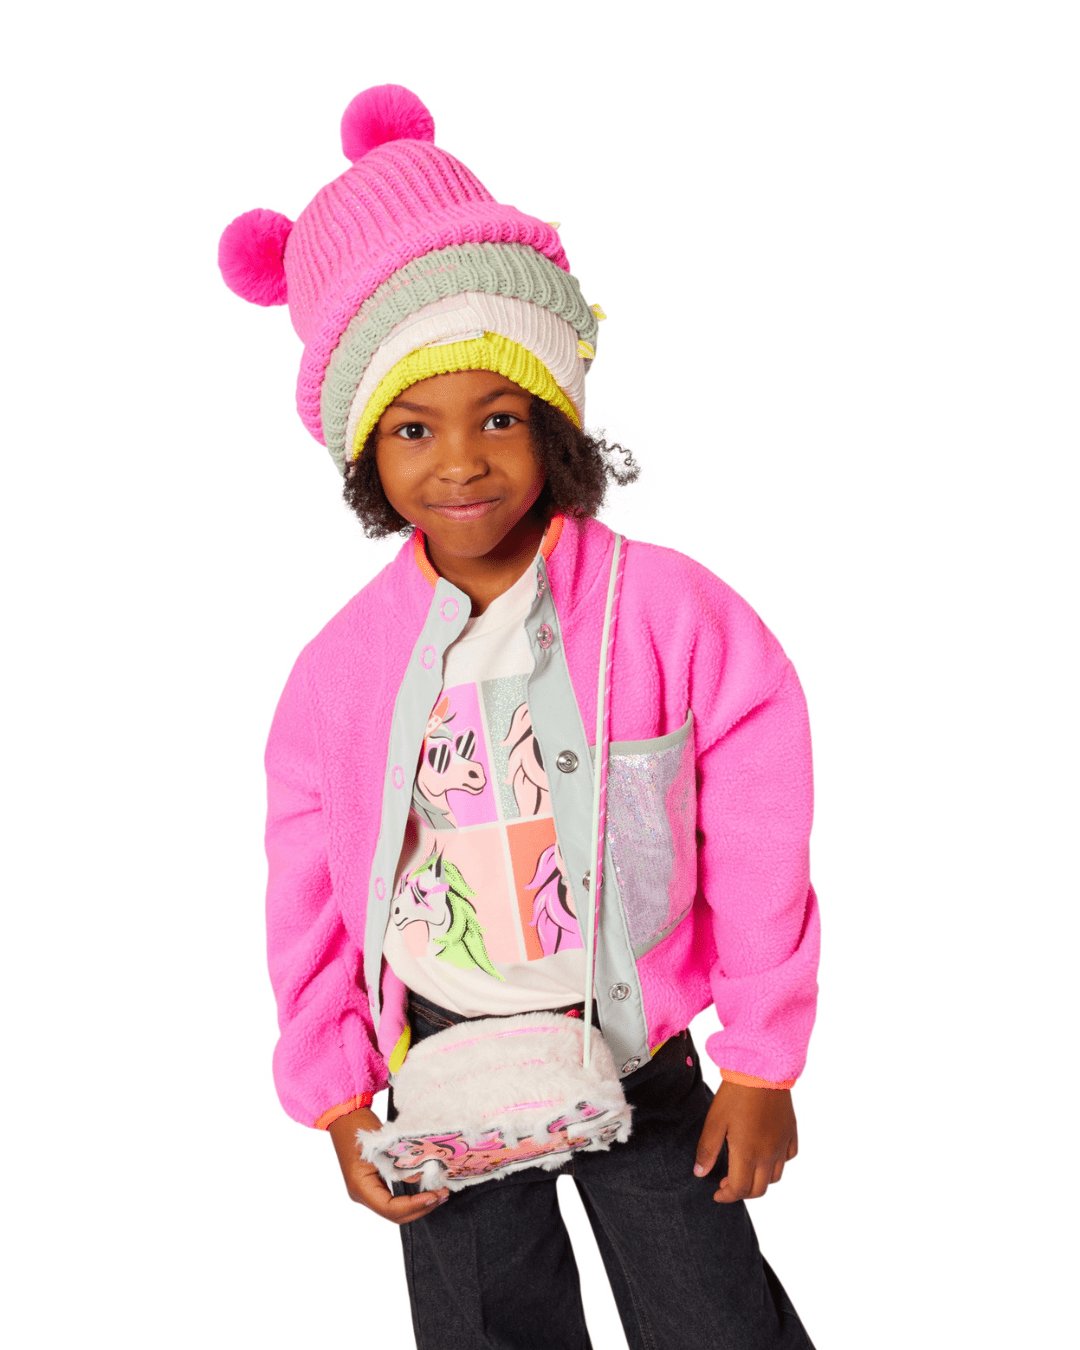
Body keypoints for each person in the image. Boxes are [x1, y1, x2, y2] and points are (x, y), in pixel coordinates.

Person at [220, 83, 820, 1350]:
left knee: (714, 1323)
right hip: (443, 1069)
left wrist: (763, 1057)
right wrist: (339, 1096)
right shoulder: (338, 674)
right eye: (413, 428)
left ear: (554, 417)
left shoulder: (669, 613)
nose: (460, 460)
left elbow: (762, 826)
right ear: (365, 450)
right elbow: (306, 895)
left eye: (499, 416)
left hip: (641, 1054)